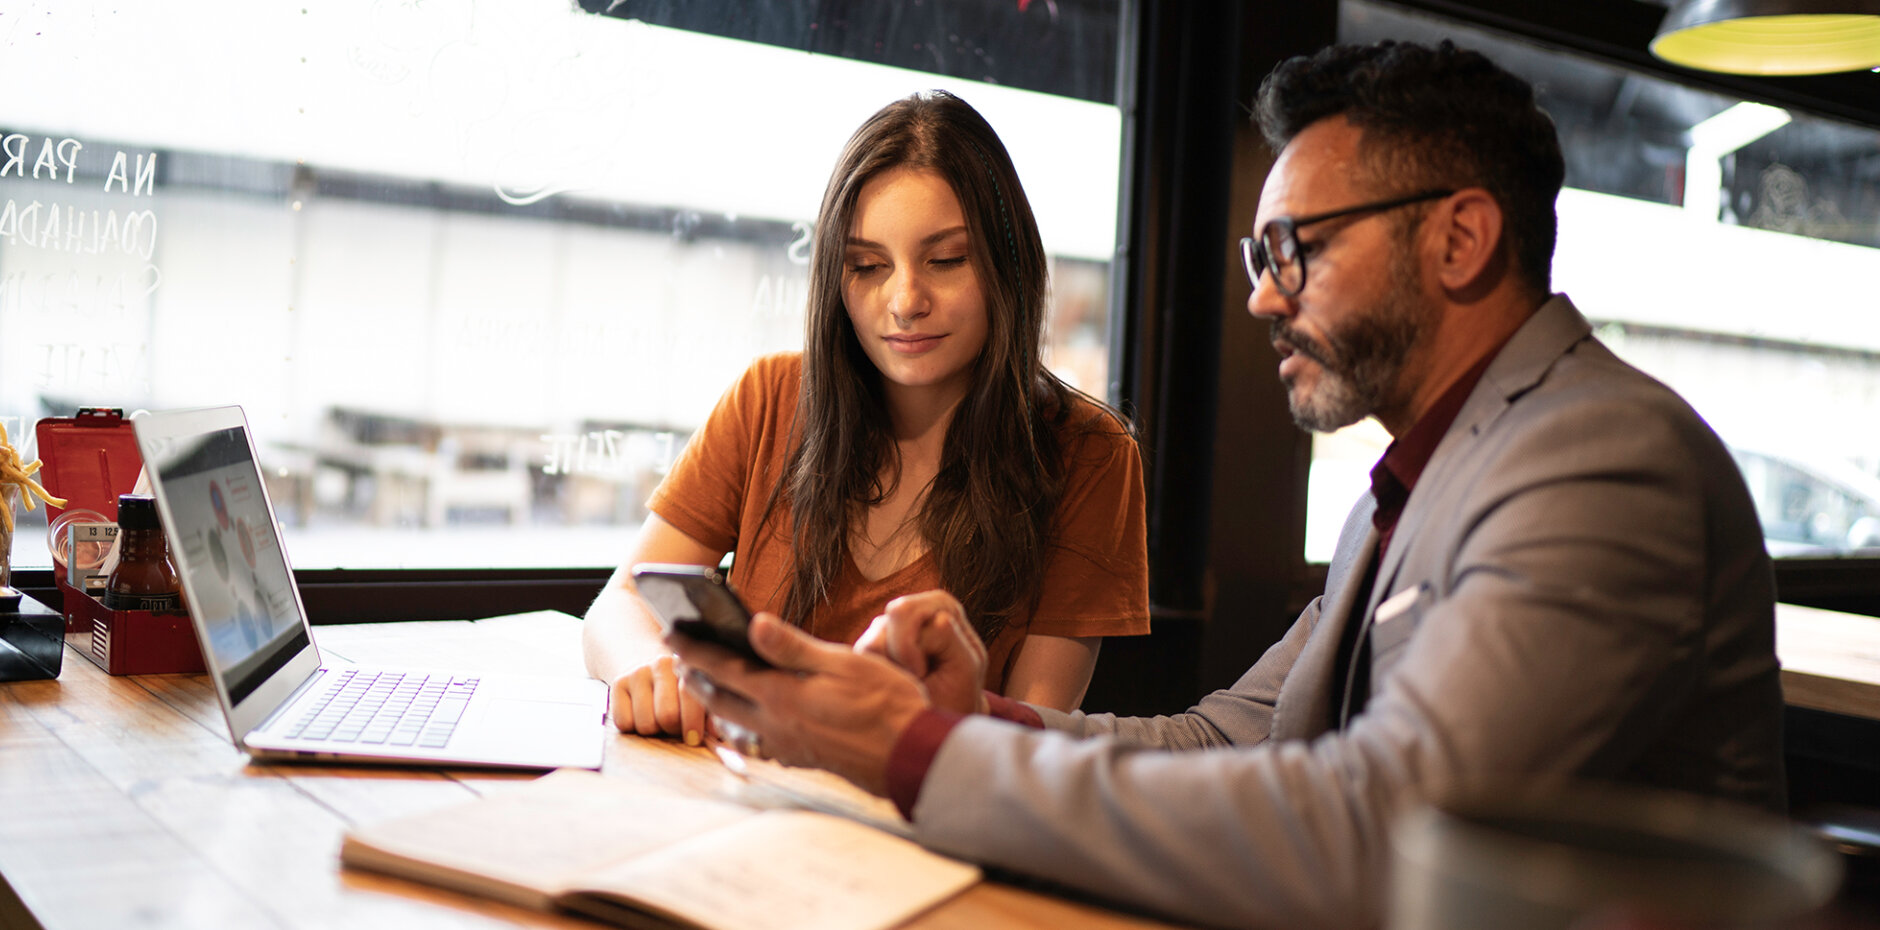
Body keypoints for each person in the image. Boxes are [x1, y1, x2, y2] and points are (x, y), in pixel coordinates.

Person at [668, 40, 1786, 930]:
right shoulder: (1419, 485)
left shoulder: (1598, 459)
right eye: (1260, 260)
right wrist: (974, 717)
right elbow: (1222, 740)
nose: (1261, 299)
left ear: (1461, 239)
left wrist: (918, 753)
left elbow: (1384, 829)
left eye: (1294, 249)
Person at [583, 91, 1150, 743]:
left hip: (924, 819)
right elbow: (620, 603)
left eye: (946, 259)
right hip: (735, 797)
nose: (905, 300)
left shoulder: (1089, 454)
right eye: (868, 267)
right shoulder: (770, 397)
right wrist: (649, 666)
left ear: (1009, 265)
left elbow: (1030, 739)